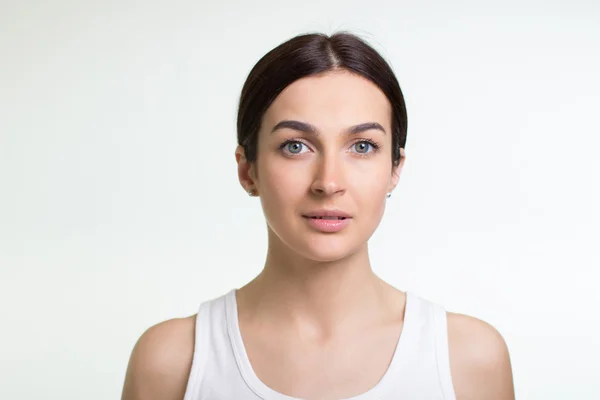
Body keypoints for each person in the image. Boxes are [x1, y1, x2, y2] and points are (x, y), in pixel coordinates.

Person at [121, 32, 515, 400]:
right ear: (248, 169)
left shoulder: (469, 360)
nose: (328, 182)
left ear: (395, 168)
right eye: (295, 146)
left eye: (362, 146)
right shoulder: (171, 363)